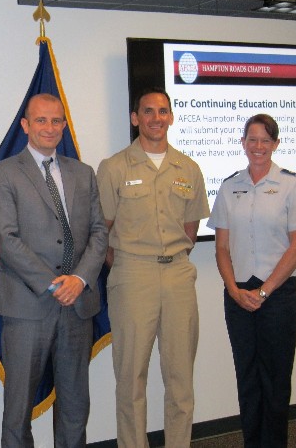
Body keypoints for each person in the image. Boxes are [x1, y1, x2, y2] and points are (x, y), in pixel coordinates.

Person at [0, 93, 108, 447]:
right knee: (18, 408)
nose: (49, 128)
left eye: (56, 121)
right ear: (25, 125)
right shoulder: (5, 173)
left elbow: (99, 232)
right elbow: (5, 239)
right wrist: (54, 285)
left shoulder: (83, 173)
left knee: (74, 406)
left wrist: (80, 279)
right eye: (41, 120)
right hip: (26, 307)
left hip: (77, 305)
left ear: (64, 125)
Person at [97, 87, 209, 448]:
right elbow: (103, 232)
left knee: (180, 380)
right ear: (135, 118)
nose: (156, 118)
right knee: (131, 379)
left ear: (171, 118)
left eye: (163, 111)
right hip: (132, 276)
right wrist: (131, 264)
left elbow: (190, 230)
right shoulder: (113, 167)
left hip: (177, 275)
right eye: (148, 111)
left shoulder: (189, 168)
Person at [207, 113, 296, 447]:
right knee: (248, 377)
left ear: (276, 144)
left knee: (276, 379)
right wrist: (233, 290)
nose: (258, 146)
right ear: (243, 143)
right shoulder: (229, 186)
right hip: (238, 296)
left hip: (278, 296)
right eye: (252, 139)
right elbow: (222, 247)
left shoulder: (291, 184)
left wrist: (265, 290)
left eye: (265, 140)